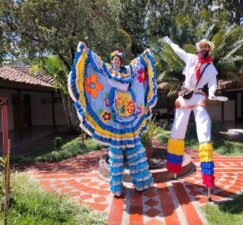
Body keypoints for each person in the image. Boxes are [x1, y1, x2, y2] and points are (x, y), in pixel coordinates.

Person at [68, 42, 157, 196]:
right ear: (111, 60)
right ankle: (117, 188)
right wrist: (86, 52)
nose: (116, 61)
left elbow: (138, 67)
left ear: (120, 61)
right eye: (114, 59)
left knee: (134, 147)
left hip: (129, 112)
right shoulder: (106, 70)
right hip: (115, 114)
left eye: (118, 59)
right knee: (116, 152)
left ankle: (141, 182)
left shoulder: (128, 71)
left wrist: (144, 57)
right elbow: (95, 64)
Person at [162, 36, 218, 188]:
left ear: (209, 50)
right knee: (177, 130)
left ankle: (207, 176)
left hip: (199, 95)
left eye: (207, 47)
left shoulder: (211, 68)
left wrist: (212, 93)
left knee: (204, 127)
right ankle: (174, 168)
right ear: (199, 48)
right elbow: (178, 51)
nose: (204, 49)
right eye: (202, 46)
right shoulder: (191, 58)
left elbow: (213, 83)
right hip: (186, 96)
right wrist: (170, 42)